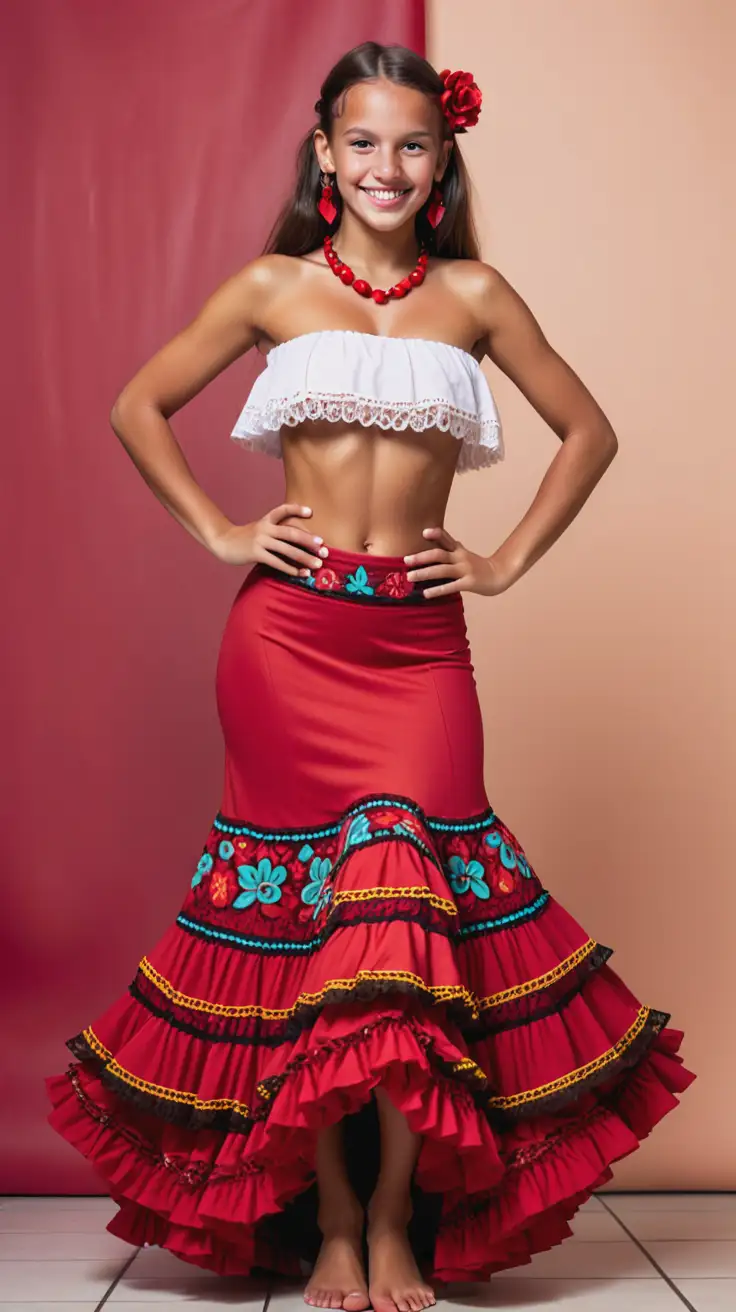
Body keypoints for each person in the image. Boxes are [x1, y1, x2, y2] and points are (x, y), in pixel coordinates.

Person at [47, 41, 696, 1312]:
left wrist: (502, 561)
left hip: (415, 648)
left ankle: (398, 1215)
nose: (384, 166)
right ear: (322, 152)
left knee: (409, 928)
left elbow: (590, 430)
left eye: (411, 144)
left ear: (442, 159)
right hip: (285, 643)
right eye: (361, 143)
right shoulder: (271, 287)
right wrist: (225, 534)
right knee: (309, 935)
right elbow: (138, 405)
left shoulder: (477, 295)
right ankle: (333, 1224)